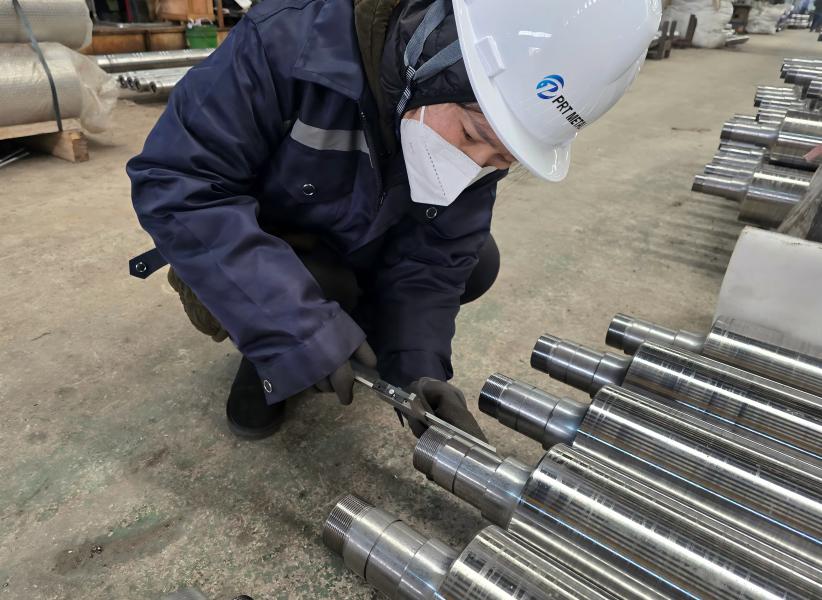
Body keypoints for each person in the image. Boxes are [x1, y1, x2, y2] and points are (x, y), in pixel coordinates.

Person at [127, 0, 659, 441]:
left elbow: (437, 258)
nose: (477, 162)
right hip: (260, 247)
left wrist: (416, 367)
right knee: (322, 286)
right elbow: (177, 182)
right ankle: (272, 353)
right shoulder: (288, 40)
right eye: (472, 135)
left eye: (502, 158)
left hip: (357, 235)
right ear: (432, 57)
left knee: (476, 262)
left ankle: (344, 336)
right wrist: (296, 330)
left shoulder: (483, 126)